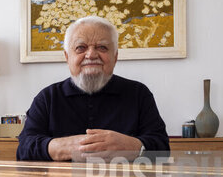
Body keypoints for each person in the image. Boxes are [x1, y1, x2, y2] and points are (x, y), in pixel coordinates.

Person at [17, 16, 169, 161]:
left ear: (115, 57)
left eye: (102, 47)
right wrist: (67, 147)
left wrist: (132, 147)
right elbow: (23, 149)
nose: (91, 54)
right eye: (80, 48)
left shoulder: (139, 94)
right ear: (67, 57)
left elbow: (162, 150)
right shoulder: (47, 97)